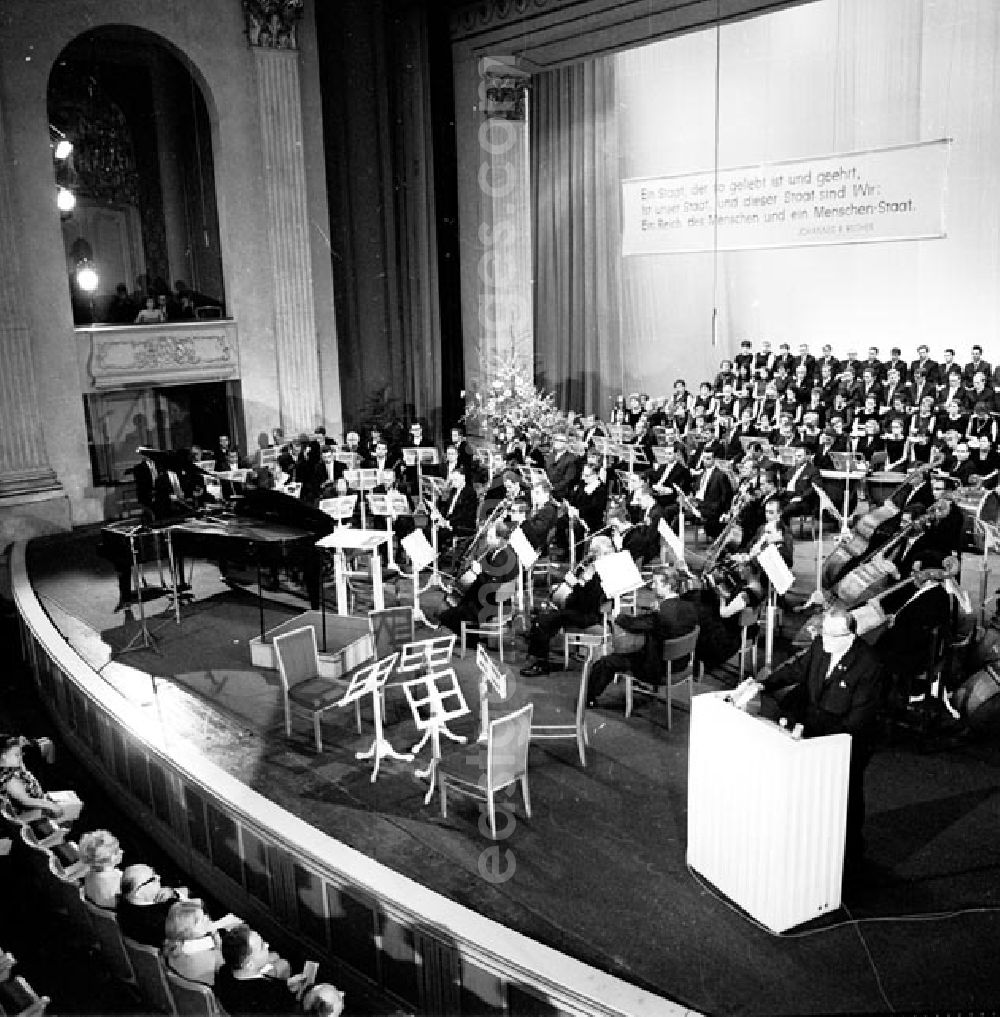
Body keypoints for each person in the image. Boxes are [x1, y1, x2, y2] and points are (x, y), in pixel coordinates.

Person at [752, 606, 884, 869]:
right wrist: (764, 684)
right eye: (824, 633)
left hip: (847, 742)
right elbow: (796, 670)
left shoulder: (870, 666)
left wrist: (825, 749)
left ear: (851, 636)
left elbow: (858, 720)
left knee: (846, 799)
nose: (825, 641)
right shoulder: (821, 646)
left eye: (833, 636)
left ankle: (850, 854)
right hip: (815, 727)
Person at [586, 568, 699, 706]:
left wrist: (618, 616)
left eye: (656, 583)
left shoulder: (661, 614)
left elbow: (635, 624)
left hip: (658, 668)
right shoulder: (690, 607)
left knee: (606, 662)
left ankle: (589, 698)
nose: (652, 586)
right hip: (682, 663)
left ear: (667, 586)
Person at [519, 535, 615, 677]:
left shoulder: (601, 573)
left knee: (545, 620)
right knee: (545, 617)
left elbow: (587, 602)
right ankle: (537, 645)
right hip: (580, 609)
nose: (590, 555)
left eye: (593, 552)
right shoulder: (596, 569)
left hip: (587, 615)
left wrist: (575, 584)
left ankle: (540, 662)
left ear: (599, 553)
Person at [215, 923, 306, 1016]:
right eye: (262, 946)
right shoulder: (269, 994)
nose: (267, 945)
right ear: (250, 964)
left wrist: (287, 985)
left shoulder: (224, 972)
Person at [0, 734, 80, 822]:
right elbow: (26, 801)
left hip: (37, 796)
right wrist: (50, 805)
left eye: (20, 753)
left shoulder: (10, 763)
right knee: (69, 812)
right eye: (17, 755)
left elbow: (14, 754)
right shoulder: (10, 780)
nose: (20, 757)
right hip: (32, 810)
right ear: (4, 756)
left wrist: (18, 743)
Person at [116, 863, 186, 947]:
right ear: (137, 893)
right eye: (152, 879)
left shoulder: (122, 907)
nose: (159, 877)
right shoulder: (167, 918)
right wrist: (174, 894)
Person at [161, 898, 226, 986]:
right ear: (186, 932)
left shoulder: (173, 946)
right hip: (211, 994)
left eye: (204, 915)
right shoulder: (212, 956)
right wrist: (218, 940)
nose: (207, 918)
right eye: (199, 920)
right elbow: (227, 968)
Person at [79, 828, 124, 908]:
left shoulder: (89, 875)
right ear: (110, 857)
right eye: (116, 850)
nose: (122, 851)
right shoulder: (119, 881)